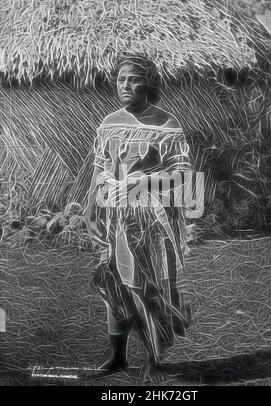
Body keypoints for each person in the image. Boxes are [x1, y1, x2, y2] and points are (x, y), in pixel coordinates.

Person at [84, 55, 196, 383]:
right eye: (121, 80)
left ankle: (153, 359)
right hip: (117, 220)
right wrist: (91, 207)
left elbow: (182, 175)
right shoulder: (109, 123)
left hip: (153, 222)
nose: (126, 86)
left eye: (133, 79)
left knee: (149, 287)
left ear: (150, 83)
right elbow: (99, 168)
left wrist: (140, 183)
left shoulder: (166, 125)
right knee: (114, 284)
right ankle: (117, 357)